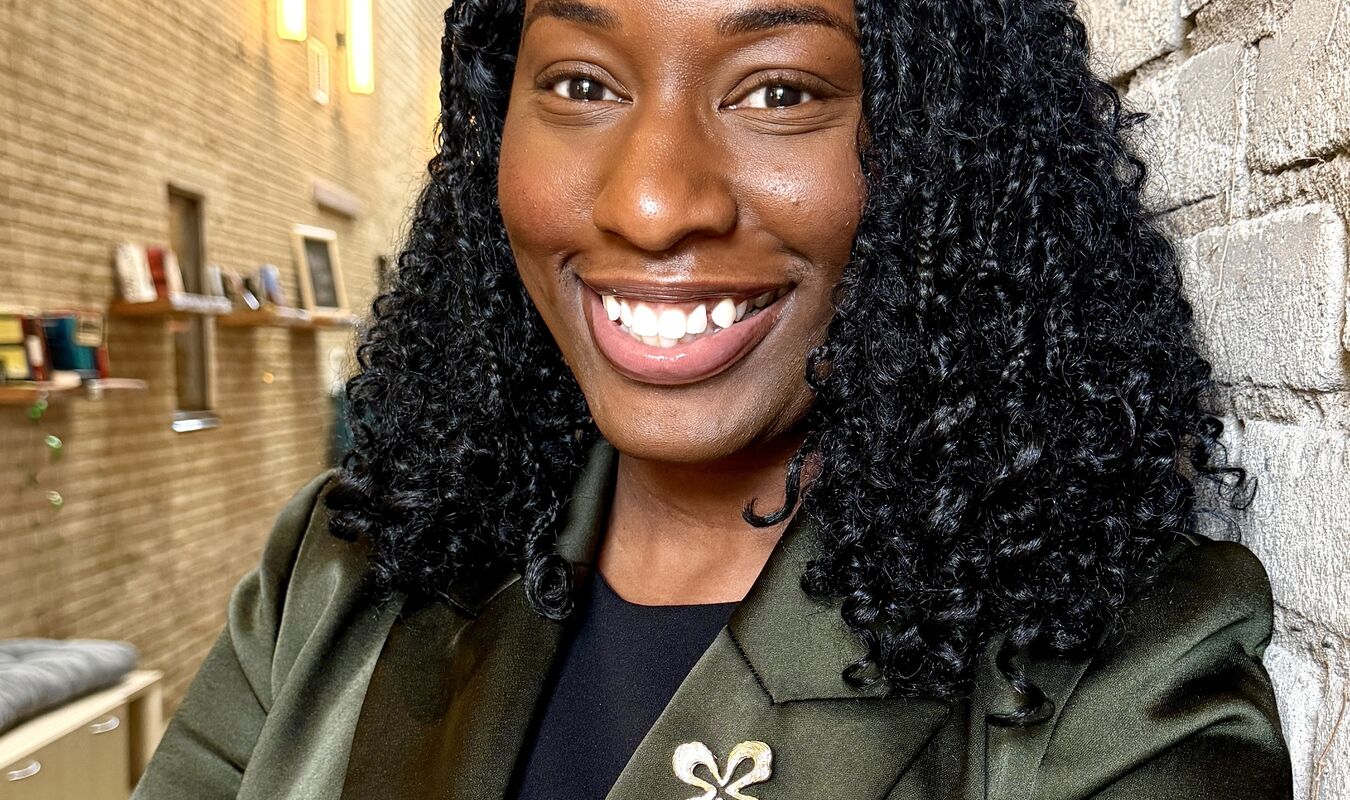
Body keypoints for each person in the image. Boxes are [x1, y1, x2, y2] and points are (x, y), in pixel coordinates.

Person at [132, 0, 1294, 798]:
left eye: (778, 90)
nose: (649, 202)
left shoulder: (1129, 671)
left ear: (941, 148)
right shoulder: (334, 575)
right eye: (582, 82)